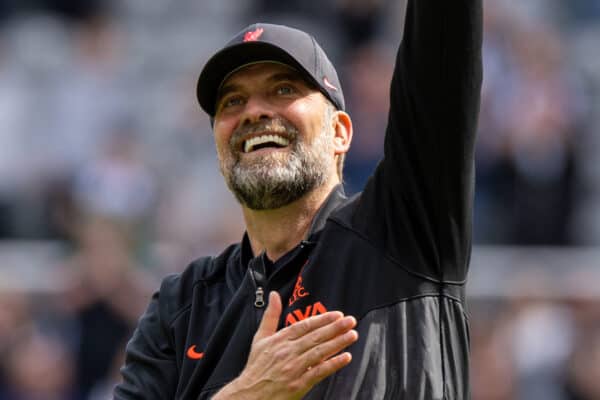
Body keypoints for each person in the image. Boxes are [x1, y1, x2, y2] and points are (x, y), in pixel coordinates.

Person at [114, 0, 483, 398]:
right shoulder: (183, 304)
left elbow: (444, 42)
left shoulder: (405, 229)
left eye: (283, 89)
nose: (253, 111)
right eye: (232, 101)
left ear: (339, 132)